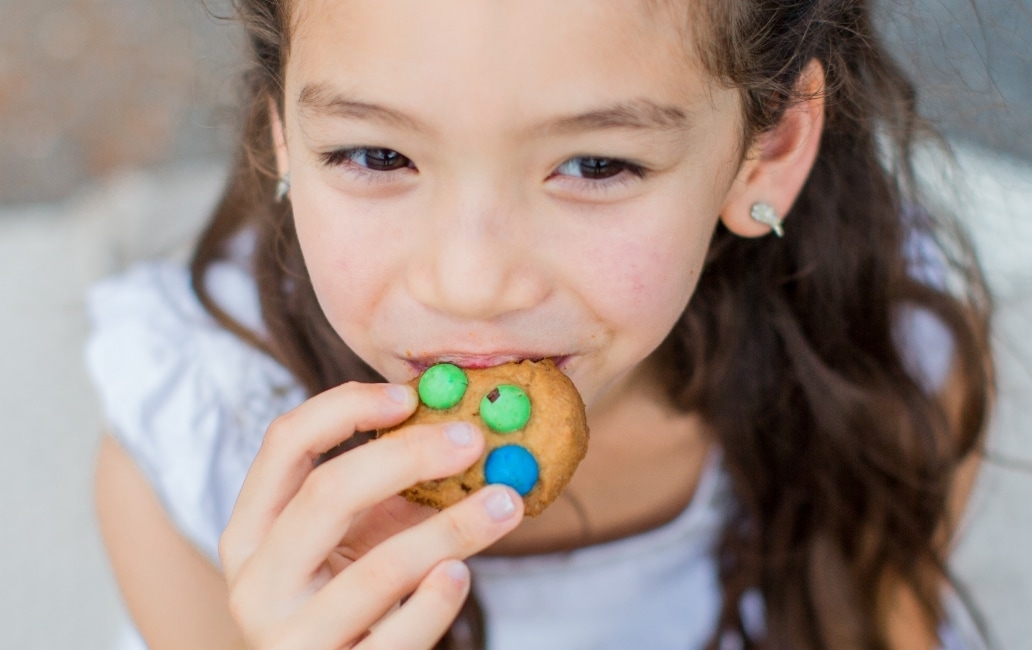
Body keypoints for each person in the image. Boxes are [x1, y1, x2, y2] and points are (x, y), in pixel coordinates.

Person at [86, 1, 995, 648]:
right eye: (375, 153)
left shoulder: (880, 380)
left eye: (596, 163)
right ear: (282, 130)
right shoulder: (189, 476)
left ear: (771, 148)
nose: (472, 284)